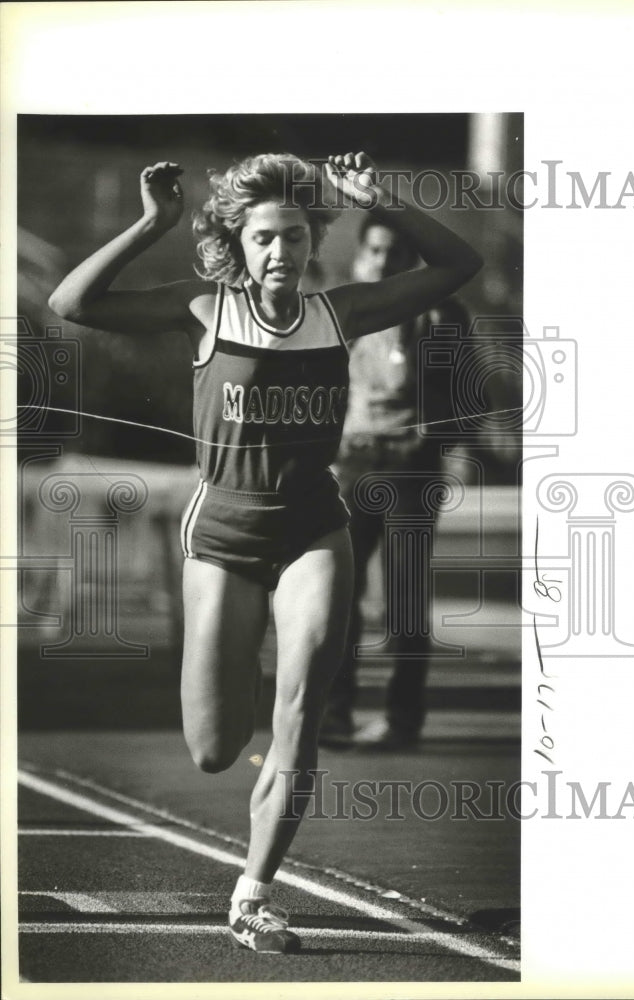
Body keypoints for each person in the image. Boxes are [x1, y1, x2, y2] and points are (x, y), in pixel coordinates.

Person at [48, 150, 482, 955]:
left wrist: (384, 201)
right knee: (215, 749)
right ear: (236, 245)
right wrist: (153, 224)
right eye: (263, 241)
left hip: (315, 529)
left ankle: (253, 895)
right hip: (221, 539)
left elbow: (460, 263)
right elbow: (73, 303)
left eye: (293, 237)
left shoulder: (341, 313)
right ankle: (234, 699)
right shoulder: (203, 310)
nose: (280, 253)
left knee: (299, 718)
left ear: (313, 238)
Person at [320, 215, 469, 750]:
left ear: (413, 262)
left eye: (395, 253)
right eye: (375, 251)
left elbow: (468, 396)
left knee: (404, 600)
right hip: (353, 462)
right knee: (340, 595)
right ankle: (332, 713)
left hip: (411, 465)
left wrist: (443, 440)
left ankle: (403, 721)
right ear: (362, 257)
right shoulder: (343, 313)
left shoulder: (440, 314)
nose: (384, 262)